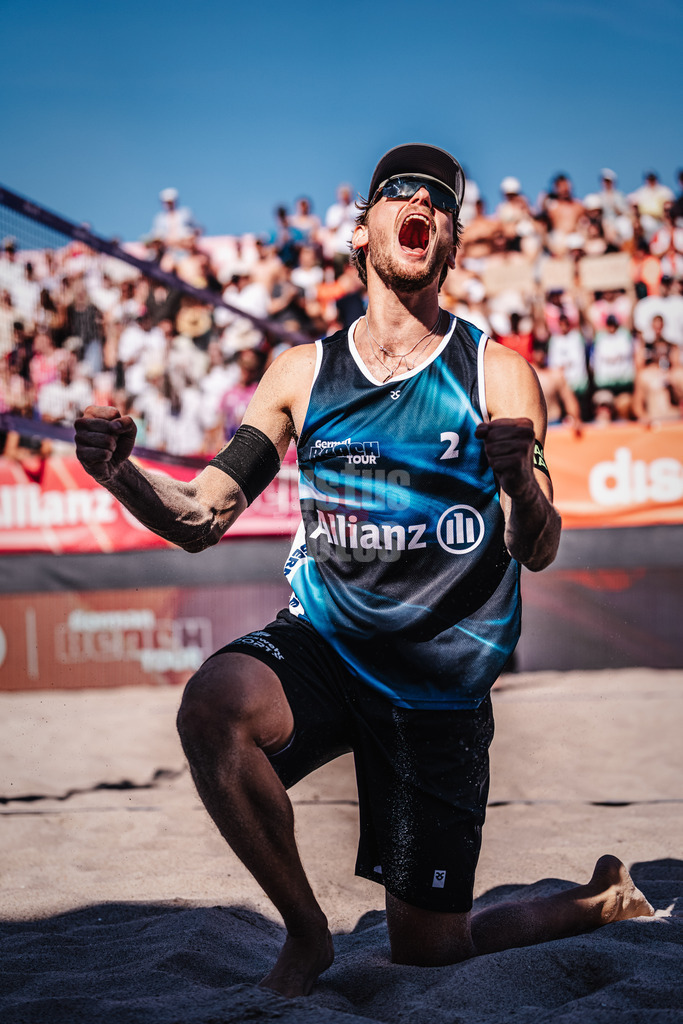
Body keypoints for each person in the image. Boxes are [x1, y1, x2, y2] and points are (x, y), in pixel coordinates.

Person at [75, 143, 653, 1000]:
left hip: (437, 682)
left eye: (439, 201)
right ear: (362, 230)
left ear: (449, 243)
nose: (419, 201)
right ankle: (306, 937)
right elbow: (202, 516)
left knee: (433, 955)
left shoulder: (496, 374)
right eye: (398, 191)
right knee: (214, 705)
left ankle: (596, 900)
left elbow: (537, 545)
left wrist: (513, 483)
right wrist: (119, 474)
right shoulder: (302, 373)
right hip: (328, 644)